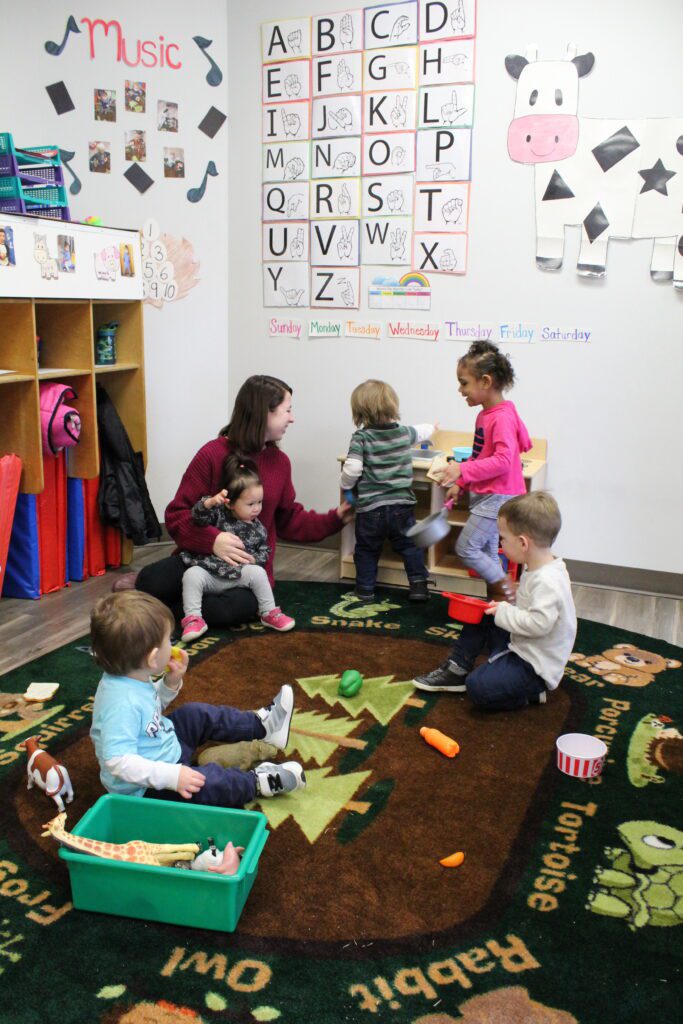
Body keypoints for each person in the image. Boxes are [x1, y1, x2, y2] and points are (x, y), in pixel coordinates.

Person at [123, 375, 352, 625]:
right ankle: (180, 605)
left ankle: (176, 608)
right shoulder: (211, 454)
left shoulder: (280, 463)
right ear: (263, 413)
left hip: (246, 572)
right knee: (149, 580)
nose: (292, 418)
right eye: (287, 410)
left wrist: (335, 518)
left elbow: (289, 520)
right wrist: (213, 541)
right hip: (201, 561)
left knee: (222, 612)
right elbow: (177, 515)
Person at [90, 591, 306, 804]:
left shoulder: (130, 675)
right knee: (206, 783)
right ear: (153, 658)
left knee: (194, 714)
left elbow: (148, 714)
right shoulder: (120, 703)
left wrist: (169, 683)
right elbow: (117, 761)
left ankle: (263, 726)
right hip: (148, 788)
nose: (172, 645)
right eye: (169, 640)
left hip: (165, 747)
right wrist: (173, 777)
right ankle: (257, 783)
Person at [412, 492, 577, 711]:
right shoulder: (540, 568)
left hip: (535, 666)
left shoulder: (548, 580)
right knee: (482, 610)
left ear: (522, 543)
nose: (501, 542)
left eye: (503, 538)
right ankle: (457, 669)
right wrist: (501, 610)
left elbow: (539, 625)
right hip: (523, 644)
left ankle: (531, 692)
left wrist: (504, 612)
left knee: (478, 687)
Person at [437, 340, 531, 602]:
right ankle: (499, 609)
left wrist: (462, 468)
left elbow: (502, 461)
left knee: (467, 548)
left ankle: (505, 588)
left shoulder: (500, 418)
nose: (460, 389)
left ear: (486, 382)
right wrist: (463, 481)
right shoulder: (486, 414)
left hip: (498, 498)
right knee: (489, 555)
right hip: (489, 496)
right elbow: (482, 455)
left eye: (464, 382)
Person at [180, 454, 295, 642]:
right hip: (212, 574)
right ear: (231, 503)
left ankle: (269, 612)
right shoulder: (219, 516)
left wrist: (254, 560)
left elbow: (264, 550)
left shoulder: (258, 528)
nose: (257, 509)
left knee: (258, 573)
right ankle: (193, 619)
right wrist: (208, 503)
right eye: (250, 504)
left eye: (259, 502)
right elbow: (198, 518)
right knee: (191, 575)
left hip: (238, 576)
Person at [340, 379, 435, 602]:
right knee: (410, 546)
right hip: (402, 507)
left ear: (360, 412)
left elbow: (352, 468)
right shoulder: (404, 433)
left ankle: (364, 589)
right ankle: (419, 586)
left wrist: (346, 486)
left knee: (366, 549)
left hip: (371, 509)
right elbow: (422, 431)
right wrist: (434, 427)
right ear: (392, 405)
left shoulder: (361, 438)